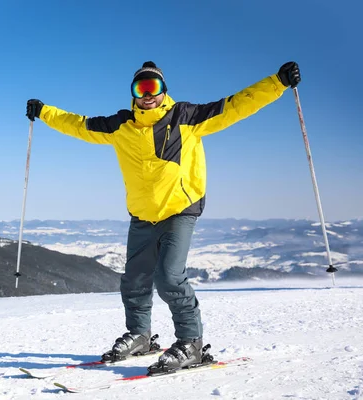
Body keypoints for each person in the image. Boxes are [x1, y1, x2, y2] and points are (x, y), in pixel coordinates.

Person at [25, 61, 301, 373]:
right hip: (142, 216)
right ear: (133, 93)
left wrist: (276, 83)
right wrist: (45, 111)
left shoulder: (186, 117)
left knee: (169, 277)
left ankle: (190, 343)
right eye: (140, 88)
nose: (147, 95)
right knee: (134, 280)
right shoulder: (120, 125)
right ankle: (140, 335)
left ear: (163, 90)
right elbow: (78, 123)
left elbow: (235, 106)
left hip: (179, 211)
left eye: (152, 87)